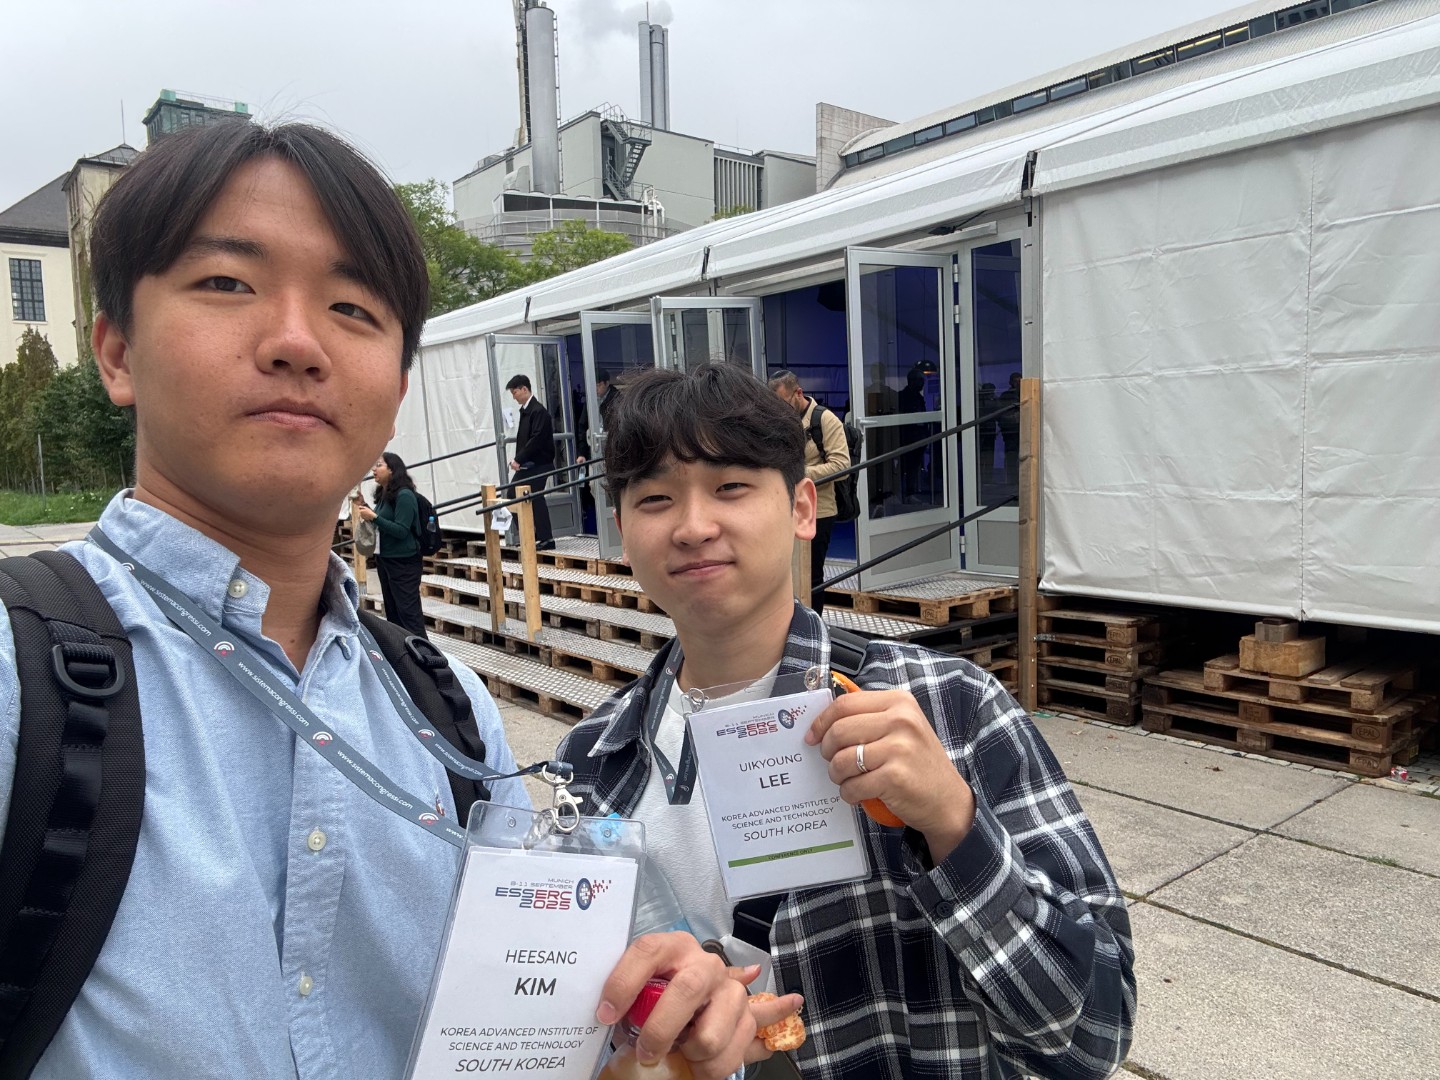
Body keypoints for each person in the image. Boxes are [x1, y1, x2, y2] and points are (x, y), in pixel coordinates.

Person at [0, 121, 770, 1079]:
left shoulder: (449, 714)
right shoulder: (22, 678)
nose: (296, 341)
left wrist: (640, 1054)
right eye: (228, 283)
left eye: (352, 307)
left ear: (398, 387)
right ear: (116, 352)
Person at [559, 363, 1135, 1079]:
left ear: (803, 508)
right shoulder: (592, 761)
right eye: (655, 498)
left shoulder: (951, 708)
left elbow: (1096, 1033)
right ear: (621, 531)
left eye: (731, 487)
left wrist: (954, 825)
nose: (694, 526)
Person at [767, 370, 848, 616]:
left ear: (798, 393)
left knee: (812, 576)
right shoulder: (780, 422)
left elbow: (842, 466)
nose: (779, 410)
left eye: (783, 403)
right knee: (783, 572)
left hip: (818, 510)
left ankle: (813, 627)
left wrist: (798, 473)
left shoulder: (825, 420)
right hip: (785, 509)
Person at [356, 450, 427, 638]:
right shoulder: (384, 494)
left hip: (403, 562)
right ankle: (401, 650)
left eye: (379, 465)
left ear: (392, 470)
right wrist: (365, 507)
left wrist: (374, 517)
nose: (374, 469)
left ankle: (423, 651)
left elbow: (401, 530)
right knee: (393, 612)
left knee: (409, 614)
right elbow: (382, 522)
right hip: (385, 559)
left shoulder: (404, 495)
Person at [505, 372, 556, 550]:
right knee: (514, 494)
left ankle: (546, 538)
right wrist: (519, 460)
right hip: (529, 463)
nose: (514, 397)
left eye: (515, 392)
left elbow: (537, 440)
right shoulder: (527, 411)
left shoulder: (538, 411)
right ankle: (532, 534)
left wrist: (518, 459)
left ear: (524, 389)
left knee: (533, 495)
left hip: (540, 463)